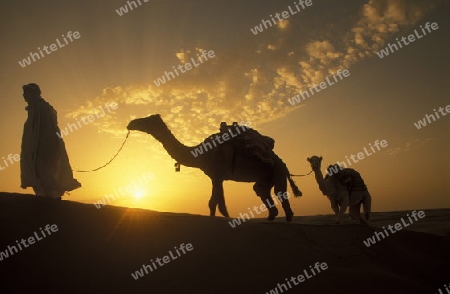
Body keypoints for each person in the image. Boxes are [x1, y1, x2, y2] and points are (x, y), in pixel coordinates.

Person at [20, 83, 81, 199]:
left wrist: (44, 150)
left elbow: (49, 131)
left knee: (45, 175)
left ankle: (52, 200)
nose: (24, 96)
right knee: (39, 175)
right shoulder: (35, 109)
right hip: (38, 151)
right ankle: (48, 200)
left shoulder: (42, 108)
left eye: (26, 93)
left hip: (44, 150)